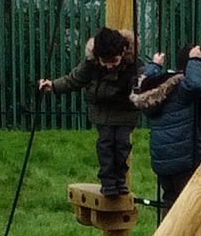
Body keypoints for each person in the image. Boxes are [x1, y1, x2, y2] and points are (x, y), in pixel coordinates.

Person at [37, 27, 145, 205]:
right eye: (105, 62)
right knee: (106, 144)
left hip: (125, 113)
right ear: (97, 56)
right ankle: (108, 182)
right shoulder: (92, 64)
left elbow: (145, 84)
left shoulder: (134, 66)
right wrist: (54, 86)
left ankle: (120, 180)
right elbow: (75, 79)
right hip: (102, 112)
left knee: (122, 145)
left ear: (123, 52)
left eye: (114, 61)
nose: (110, 66)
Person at [144, 44, 201, 215]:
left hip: (163, 162)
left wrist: (154, 66)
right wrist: (195, 60)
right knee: (189, 207)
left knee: (170, 202)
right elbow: (196, 84)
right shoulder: (182, 89)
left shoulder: (159, 89)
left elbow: (144, 85)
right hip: (185, 161)